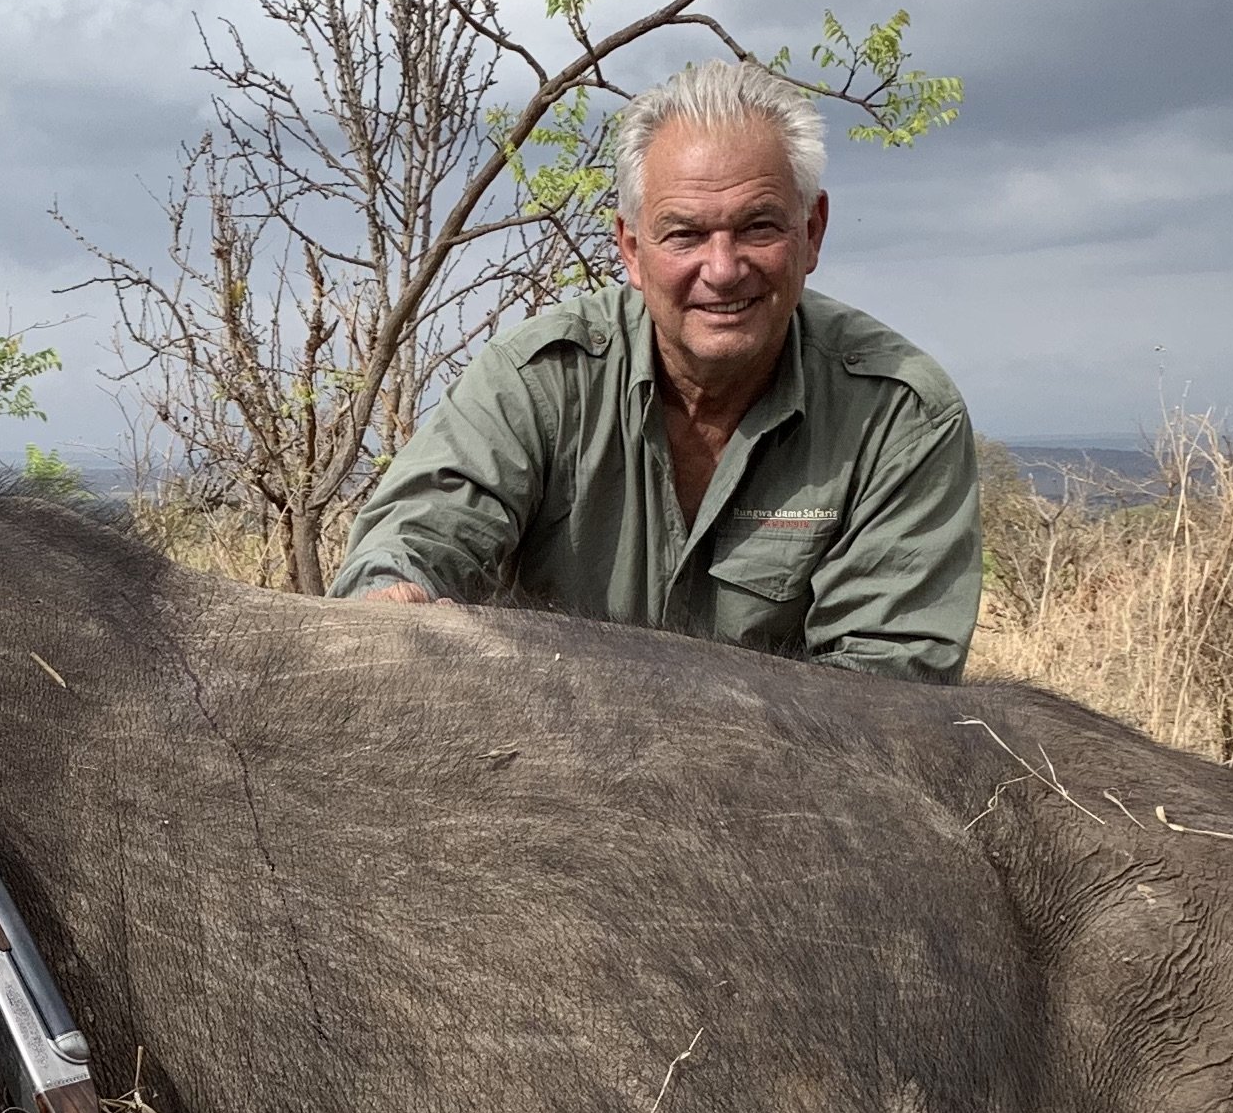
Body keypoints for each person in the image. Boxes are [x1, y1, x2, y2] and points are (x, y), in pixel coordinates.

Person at [330, 57, 981, 680]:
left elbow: (891, 695)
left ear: (811, 231)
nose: (723, 269)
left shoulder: (903, 415)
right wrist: (391, 598)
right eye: (685, 234)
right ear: (631, 250)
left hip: (787, 775)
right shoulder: (537, 379)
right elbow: (415, 533)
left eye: (758, 227)